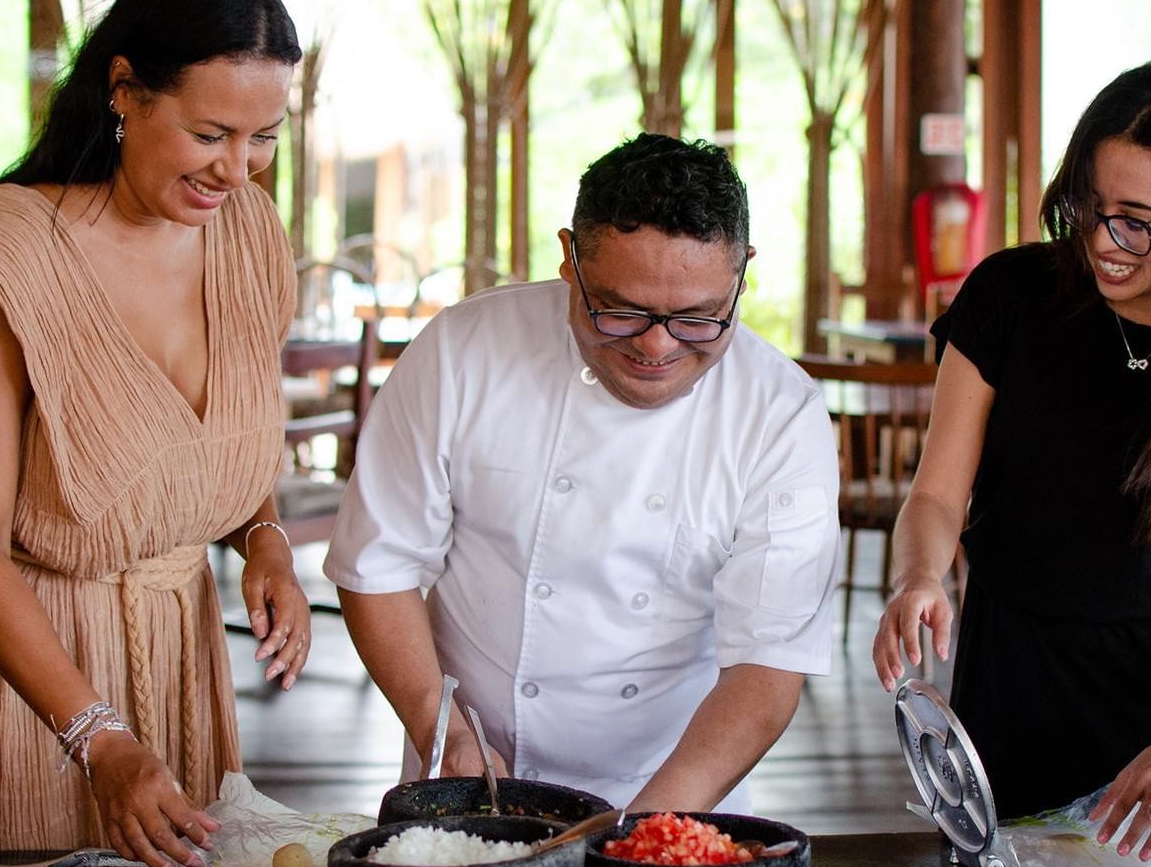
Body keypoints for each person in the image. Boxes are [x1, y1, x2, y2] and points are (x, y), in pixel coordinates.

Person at [325, 132, 839, 813]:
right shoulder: (463, 352)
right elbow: (379, 567)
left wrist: (647, 834)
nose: (656, 345)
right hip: (474, 776)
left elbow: (768, 662)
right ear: (569, 259)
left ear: (742, 273)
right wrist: (440, 729)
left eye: (697, 318)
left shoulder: (780, 412)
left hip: (674, 782)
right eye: (619, 310)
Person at [0, 0, 313, 867]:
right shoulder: (17, 256)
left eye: (264, 138)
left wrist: (266, 540)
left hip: (184, 673)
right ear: (126, 90)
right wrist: (98, 736)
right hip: (34, 694)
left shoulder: (249, 235)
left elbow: (228, 450)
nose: (239, 170)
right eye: (211, 134)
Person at [873, 60, 1151, 860]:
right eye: (1088, 205)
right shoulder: (1010, 297)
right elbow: (937, 496)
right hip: (1010, 678)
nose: (1101, 241)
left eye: (1136, 222)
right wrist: (918, 576)